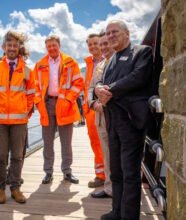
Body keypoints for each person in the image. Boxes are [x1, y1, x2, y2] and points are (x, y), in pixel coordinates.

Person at [95, 20, 153, 220]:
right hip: (112, 121)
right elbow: (102, 81)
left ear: (127, 33)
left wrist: (109, 90)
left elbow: (139, 77)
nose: (110, 35)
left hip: (131, 122)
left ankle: (129, 216)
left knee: (130, 173)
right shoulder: (110, 60)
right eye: (108, 32)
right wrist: (98, 88)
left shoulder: (141, 52)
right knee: (116, 172)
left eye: (115, 32)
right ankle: (116, 211)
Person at [0, 30, 35, 204]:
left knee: (17, 156)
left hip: (19, 121)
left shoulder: (27, 71)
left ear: (19, 47)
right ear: (4, 47)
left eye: (15, 45)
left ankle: (15, 188)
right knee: (0, 156)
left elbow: (31, 95)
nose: (12, 48)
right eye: (9, 45)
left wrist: (25, 111)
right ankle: (0, 189)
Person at [34, 35, 84, 185]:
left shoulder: (70, 62)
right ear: (46, 47)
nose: (52, 48)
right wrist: (38, 102)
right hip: (47, 104)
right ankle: (48, 172)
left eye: (54, 45)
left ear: (59, 45)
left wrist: (68, 99)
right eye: (49, 46)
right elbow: (35, 85)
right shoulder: (40, 64)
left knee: (66, 142)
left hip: (66, 105)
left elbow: (78, 82)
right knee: (47, 142)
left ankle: (67, 172)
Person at [88, 33, 114, 199]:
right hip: (100, 117)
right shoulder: (99, 66)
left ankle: (124, 190)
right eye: (101, 44)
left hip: (118, 117)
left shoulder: (122, 62)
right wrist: (93, 104)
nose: (103, 47)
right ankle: (109, 188)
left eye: (106, 44)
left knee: (119, 154)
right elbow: (91, 87)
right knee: (106, 153)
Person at [84, 33, 106, 188]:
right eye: (90, 44)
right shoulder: (89, 64)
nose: (93, 47)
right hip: (90, 110)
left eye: (95, 43)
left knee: (106, 142)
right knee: (95, 143)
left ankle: (110, 175)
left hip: (104, 109)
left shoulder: (108, 60)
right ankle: (100, 175)